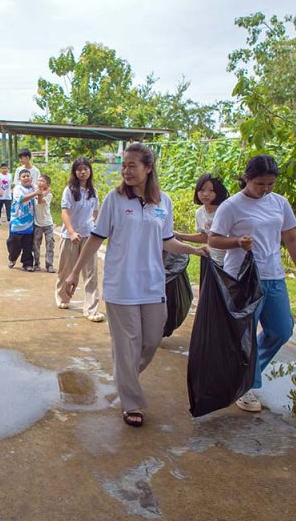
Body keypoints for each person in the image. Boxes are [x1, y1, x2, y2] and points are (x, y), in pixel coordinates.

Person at [65, 143, 207, 427]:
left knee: (152, 340)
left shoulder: (163, 201)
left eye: (132, 165)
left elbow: (167, 240)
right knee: (127, 345)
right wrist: (74, 272)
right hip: (121, 285)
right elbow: (96, 238)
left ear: (148, 168)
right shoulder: (114, 199)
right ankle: (131, 402)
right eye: (123, 165)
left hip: (153, 284)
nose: (126, 171)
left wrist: (195, 250)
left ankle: (124, 375)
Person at [209, 154, 296, 413]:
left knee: (282, 329)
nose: (265, 189)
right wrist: (237, 242)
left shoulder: (279, 203)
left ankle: (244, 376)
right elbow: (214, 240)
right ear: (247, 178)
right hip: (242, 278)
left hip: (274, 276)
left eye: (270, 184)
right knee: (245, 335)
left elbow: (291, 237)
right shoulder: (231, 206)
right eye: (260, 184)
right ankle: (245, 386)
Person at [56, 157, 104, 322]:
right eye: (79, 169)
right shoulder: (69, 190)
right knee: (66, 270)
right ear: (74, 172)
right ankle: (63, 297)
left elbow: (95, 211)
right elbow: (64, 212)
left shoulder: (93, 191)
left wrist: (93, 226)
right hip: (70, 237)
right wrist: (71, 232)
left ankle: (91, 309)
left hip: (88, 237)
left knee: (91, 273)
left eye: (85, 169)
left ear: (90, 170)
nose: (83, 172)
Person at [174, 173, 229, 266]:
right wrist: (180, 235)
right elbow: (205, 237)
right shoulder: (200, 213)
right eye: (202, 190)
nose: (205, 194)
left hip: (230, 262)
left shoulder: (226, 210)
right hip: (212, 260)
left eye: (211, 190)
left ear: (218, 191)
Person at [7, 168, 38, 271]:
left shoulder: (33, 188)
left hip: (29, 224)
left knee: (28, 245)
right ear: (19, 179)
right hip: (17, 222)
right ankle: (12, 258)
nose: (26, 178)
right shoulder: (18, 188)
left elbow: (43, 190)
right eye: (23, 176)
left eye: (28, 176)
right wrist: (35, 193)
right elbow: (21, 199)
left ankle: (27, 263)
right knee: (13, 244)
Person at [33, 174, 56, 273]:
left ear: (47, 184)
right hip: (37, 223)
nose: (40, 182)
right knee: (36, 245)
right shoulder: (35, 190)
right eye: (39, 180)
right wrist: (41, 191)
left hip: (47, 224)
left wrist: (44, 192)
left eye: (42, 181)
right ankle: (36, 264)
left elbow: (40, 201)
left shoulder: (49, 195)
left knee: (50, 244)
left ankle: (49, 265)